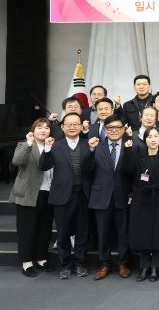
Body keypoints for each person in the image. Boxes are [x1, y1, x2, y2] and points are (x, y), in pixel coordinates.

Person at [39, 112, 98, 280]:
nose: (72, 127)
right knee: (63, 232)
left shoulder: (89, 143)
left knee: (82, 231)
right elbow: (44, 166)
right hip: (62, 195)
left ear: (81, 126)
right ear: (62, 127)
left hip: (83, 195)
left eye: (75, 124)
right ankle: (65, 265)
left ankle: (80, 263)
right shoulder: (55, 145)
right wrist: (47, 149)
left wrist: (92, 150)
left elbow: (92, 168)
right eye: (68, 124)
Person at [121, 126, 159, 282]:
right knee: (142, 233)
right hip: (141, 198)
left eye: (156, 136)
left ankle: (155, 267)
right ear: (145, 139)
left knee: (157, 234)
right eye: (150, 137)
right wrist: (128, 150)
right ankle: (144, 267)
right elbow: (127, 171)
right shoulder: (138, 156)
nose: (153, 140)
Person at [84, 114, 133, 280]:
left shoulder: (130, 146)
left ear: (123, 129)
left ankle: (123, 263)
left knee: (123, 232)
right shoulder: (97, 146)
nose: (114, 130)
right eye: (110, 128)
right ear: (105, 130)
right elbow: (87, 168)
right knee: (103, 233)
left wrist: (131, 193)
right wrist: (90, 150)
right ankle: (104, 264)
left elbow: (133, 172)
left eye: (117, 127)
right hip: (101, 195)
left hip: (122, 195)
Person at [10, 118, 54, 277]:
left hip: (49, 192)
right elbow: (17, 161)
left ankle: (41, 258)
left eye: (47, 128)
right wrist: (29, 143)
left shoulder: (53, 146)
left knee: (45, 228)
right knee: (27, 229)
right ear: (33, 130)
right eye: (39, 127)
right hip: (29, 193)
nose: (43, 130)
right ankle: (27, 262)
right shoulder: (24, 145)